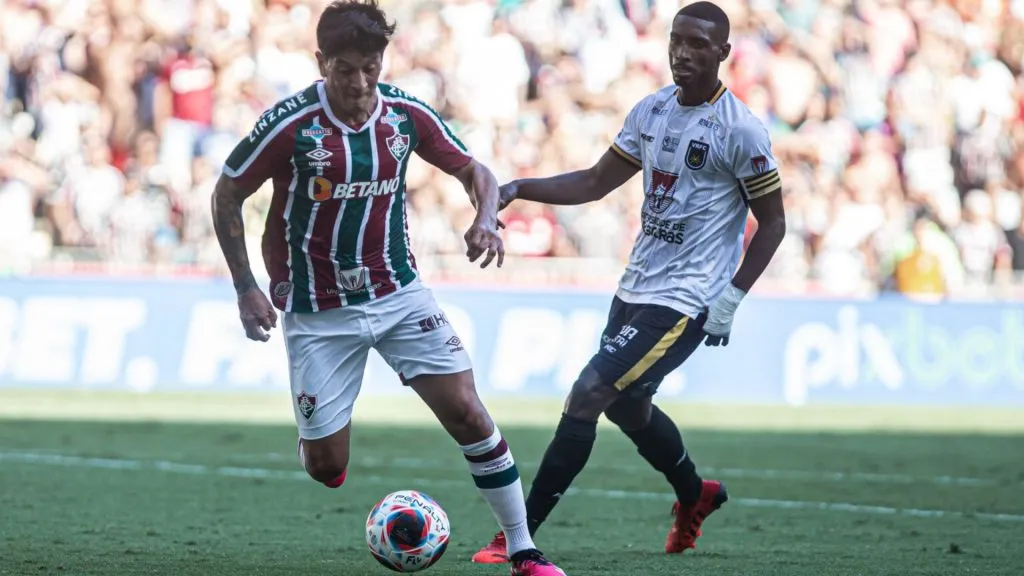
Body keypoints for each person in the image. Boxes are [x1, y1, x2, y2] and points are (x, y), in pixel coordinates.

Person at [209, 2, 565, 575]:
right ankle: (313, 438)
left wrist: (485, 218)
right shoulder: (290, 125)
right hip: (318, 310)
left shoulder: (404, 115)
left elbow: (474, 171)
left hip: (399, 294)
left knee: (469, 413)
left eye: (370, 68)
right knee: (327, 467)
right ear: (321, 62)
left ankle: (522, 549)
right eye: (345, 69)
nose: (359, 82)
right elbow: (227, 193)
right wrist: (245, 286)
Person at [472, 1, 786, 563]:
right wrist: (519, 188)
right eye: (676, 40)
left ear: (723, 52)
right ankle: (695, 492)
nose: (683, 53)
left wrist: (731, 298)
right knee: (627, 407)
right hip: (636, 286)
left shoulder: (740, 131)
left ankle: (518, 535)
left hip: (687, 298)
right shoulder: (652, 110)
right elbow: (595, 181)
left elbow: (774, 223)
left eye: (697, 44)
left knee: (589, 393)